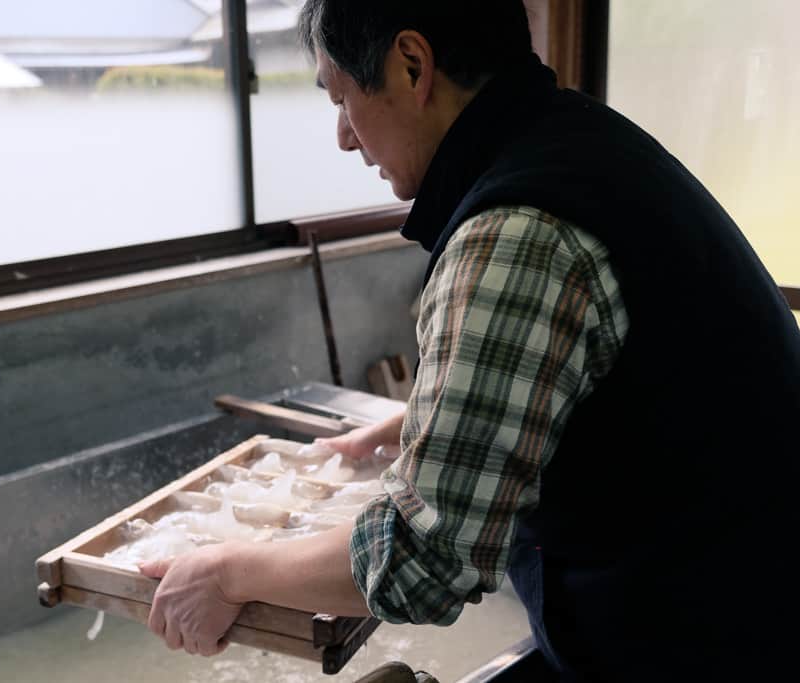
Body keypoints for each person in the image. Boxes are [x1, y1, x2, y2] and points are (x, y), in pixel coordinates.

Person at [140, 2, 800, 680]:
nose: (343, 136)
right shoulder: (581, 142)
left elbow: (425, 559)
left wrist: (227, 571)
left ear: (412, 66)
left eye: (343, 99)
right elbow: (620, 381)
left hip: (721, 638)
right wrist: (414, 420)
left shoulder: (515, 232)